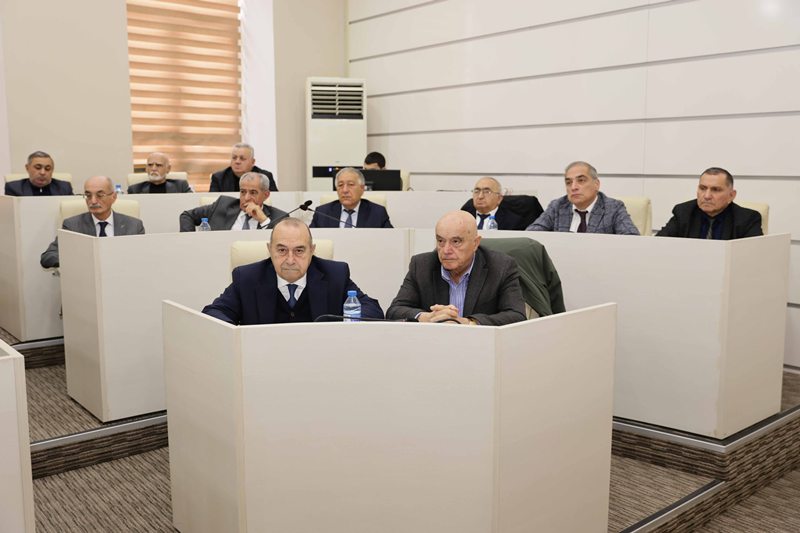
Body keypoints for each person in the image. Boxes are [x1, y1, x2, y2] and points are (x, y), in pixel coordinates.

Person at [202, 217, 384, 324]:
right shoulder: (247, 278)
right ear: (269, 249)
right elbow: (214, 313)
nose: (290, 260)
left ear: (312, 250)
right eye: (282, 250)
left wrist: (346, 327)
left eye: (299, 251)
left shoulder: (335, 275)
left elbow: (372, 310)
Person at [386, 211, 526, 326]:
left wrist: (468, 322)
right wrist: (426, 317)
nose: (446, 250)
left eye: (456, 241)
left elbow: (517, 316)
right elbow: (394, 310)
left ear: (475, 243)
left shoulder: (501, 266)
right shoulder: (422, 265)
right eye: (440, 241)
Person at [40, 176, 145, 268]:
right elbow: (48, 256)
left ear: (113, 197)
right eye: (88, 196)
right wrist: (78, 261)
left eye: (100, 195)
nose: (93, 201)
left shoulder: (134, 225)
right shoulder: (72, 225)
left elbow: (143, 256)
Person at [526, 161, 639, 235]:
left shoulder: (613, 208)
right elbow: (531, 235)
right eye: (568, 182)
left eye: (581, 180)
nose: (573, 187)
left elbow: (632, 239)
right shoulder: (557, 206)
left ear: (596, 184)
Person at [656, 167, 762, 239]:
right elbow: (659, 243)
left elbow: (754, 255)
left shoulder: (747, 219)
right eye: (702, 188)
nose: (707, 196)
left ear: (731, 195)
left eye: (715, 190)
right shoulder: (683, 212)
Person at [180, 172, 287, 231]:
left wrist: (264, 220)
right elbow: (187, 215)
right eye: (243, 192)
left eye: (253, 192)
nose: (246, 198)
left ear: (266, 195)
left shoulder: (280, 218)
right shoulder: (222, 205)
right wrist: (190, 240)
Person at [309, 167, 393, 228]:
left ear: (362, 189)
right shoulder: (322, 213)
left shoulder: (377, 213)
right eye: (340, 185)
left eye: (351, 184)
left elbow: (391, 240)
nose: (345, 190)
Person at [460, 176, 543, 230]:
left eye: (487, 192)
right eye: (476, 191)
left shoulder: (513, 222)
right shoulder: (464, 216)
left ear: (499, 198)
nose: (480, 196)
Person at [209, 143, 277, 192]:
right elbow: (213, 203)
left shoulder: (265, 177)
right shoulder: (218, 178)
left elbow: (274, 201)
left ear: (252, 162)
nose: (237, 162)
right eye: (234, 158)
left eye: (242, 159)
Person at [5, 151, 73, 196]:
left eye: (47, 169)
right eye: (38, 168)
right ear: (27, 168)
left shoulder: (64, 187)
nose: (42, 172)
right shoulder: (14, 188)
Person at [127, 152, 191, 193]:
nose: (153, 169)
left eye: (158, 165)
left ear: (168, 169)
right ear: (146, 168)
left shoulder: (181, 187)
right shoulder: (134, 190)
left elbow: (191, 205)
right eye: (150, 165)